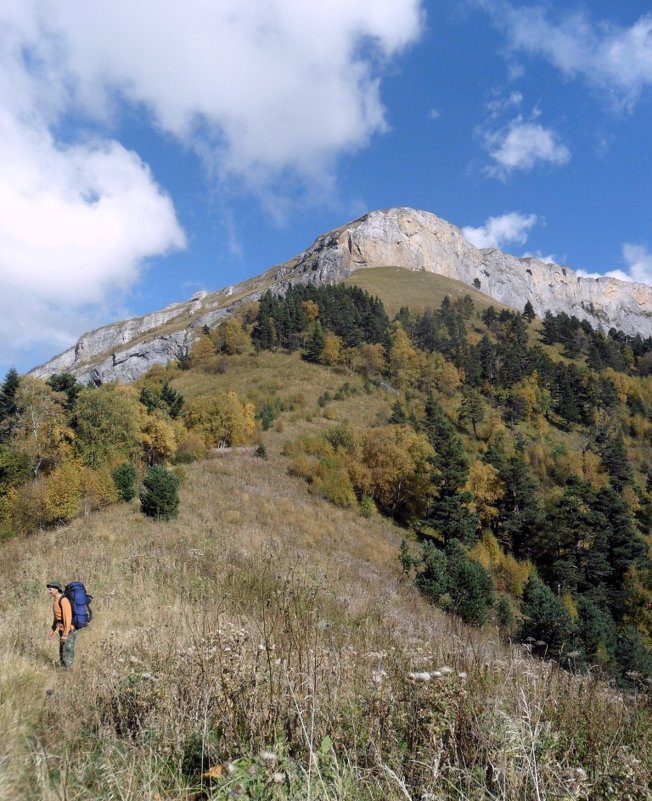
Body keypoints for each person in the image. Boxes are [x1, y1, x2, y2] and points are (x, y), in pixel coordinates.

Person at [46, 581, 77, 669]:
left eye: (50, 589)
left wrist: (66, 633)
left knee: (68, 651)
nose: (49, 591)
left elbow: (68, 618)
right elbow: (57, 619)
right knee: (62, 651)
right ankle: (62, 671)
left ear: (56, 589)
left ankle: (68, 672)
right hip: (61, 630)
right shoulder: (55, 600)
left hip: (68, 630)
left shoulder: (64, 600)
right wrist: (52, 630)